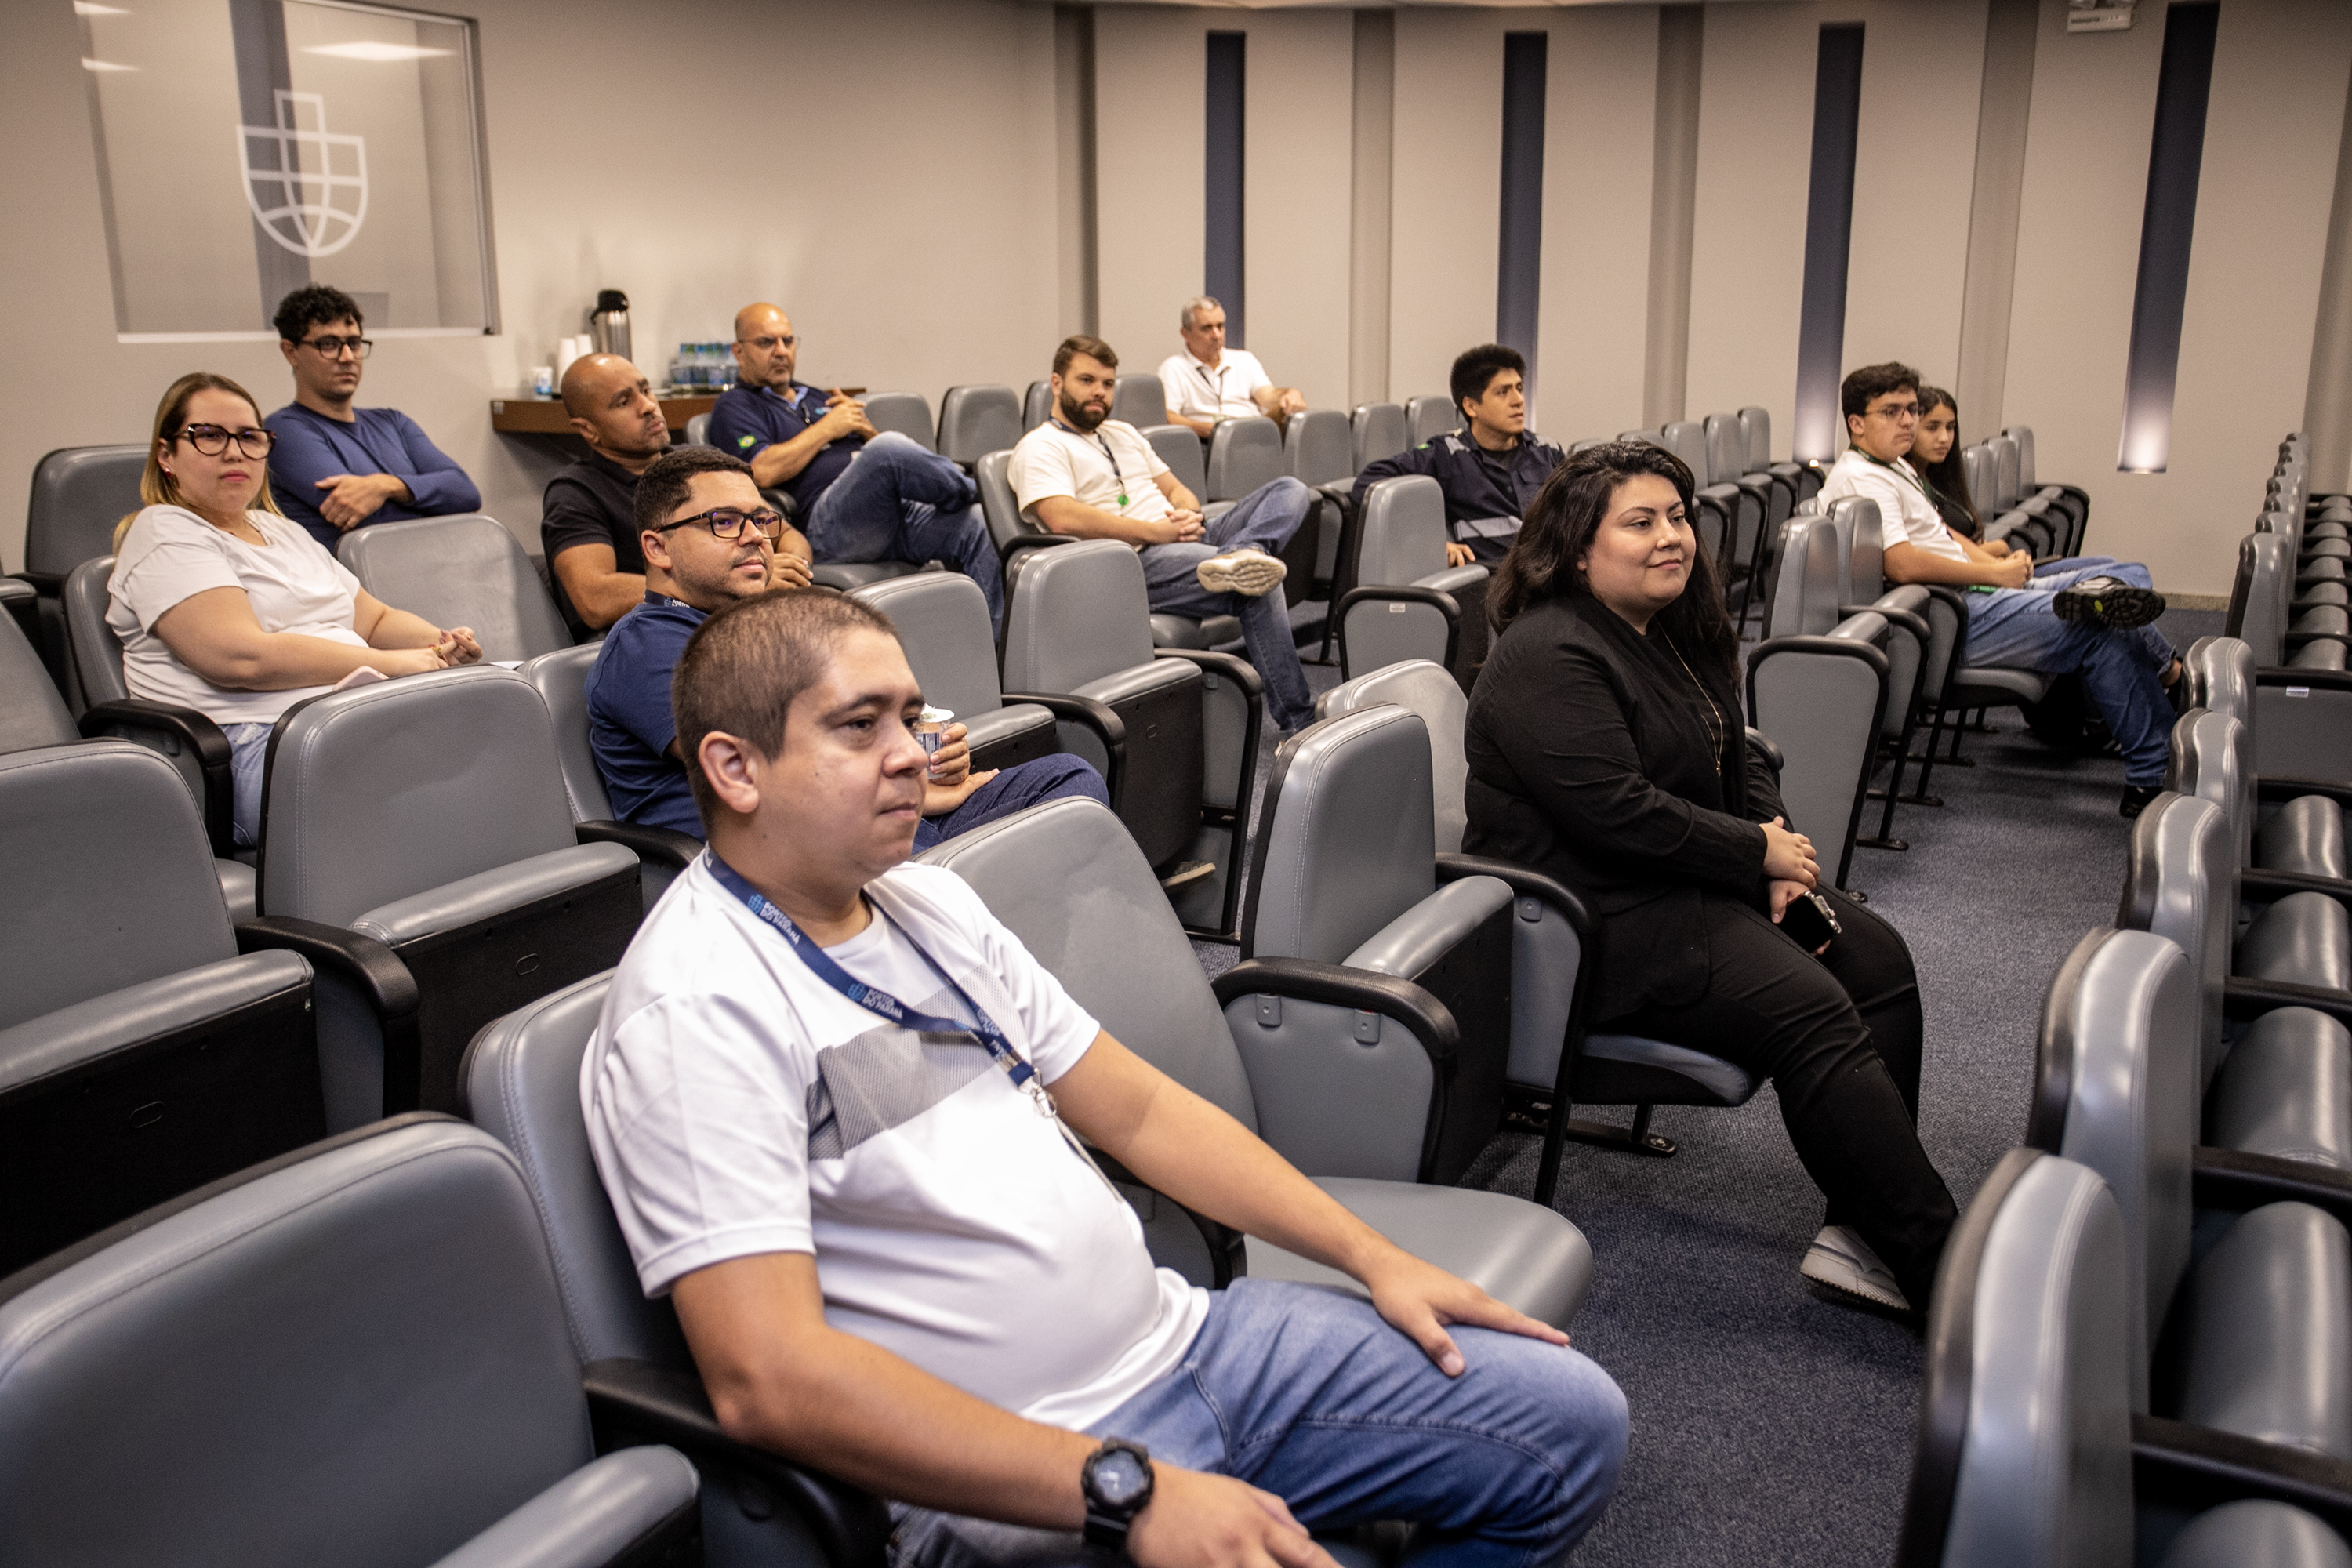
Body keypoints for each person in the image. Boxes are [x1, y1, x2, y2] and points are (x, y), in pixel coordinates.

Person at [581, 586, 1628, 1568]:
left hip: (1187, 1343)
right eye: (861, 726)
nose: (913, 754)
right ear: (734, 767)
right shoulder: (695, 1008)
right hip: (1017, 1470)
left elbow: (1138, 1108)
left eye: (911, 714)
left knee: (1573, 1428)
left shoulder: (928, 906)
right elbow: (769, 1380)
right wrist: (1125, 1490)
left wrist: (1372, 1256)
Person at [1464, 441, 1956, 1316]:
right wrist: (1750, 854)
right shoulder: (1549, 652)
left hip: (1692, 877)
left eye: (1679, 517)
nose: (1672, 538)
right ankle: (1937, 1264)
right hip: (1600, 919)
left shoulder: (1671, 631)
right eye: (1641, 522)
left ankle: (1863, 1229)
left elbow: (1740, 748)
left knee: (1876, 961)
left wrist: (1771, 845)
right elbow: (1616, 813)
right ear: (1579, 547)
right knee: (1811, 1009)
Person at [586, 446, 1105, 846]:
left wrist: (924, 757)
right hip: (787, 857)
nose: (755, 537)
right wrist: (908, 784)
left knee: (1066, 779)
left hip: (875, 823)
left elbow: (851, 723)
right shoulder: (644, 647)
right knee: (1009, 875)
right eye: (723, 522)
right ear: (657, 548)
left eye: (761, 519)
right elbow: (768, 766)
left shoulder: (763, 628)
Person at [107, 372, 482, 848]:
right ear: (166, 456)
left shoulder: (280, 530)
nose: (234, 451)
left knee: (492, 729)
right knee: (439, 781)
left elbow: (375, 620)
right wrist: (396, 664)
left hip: (336, 718)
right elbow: (241, 658)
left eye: (249, 437)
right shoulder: (164, 531)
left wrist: (439, 643)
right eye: (208, 436)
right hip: (240, 749)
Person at [1816, 362, 2180, 815]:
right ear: (1856, 423)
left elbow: (1942, 536)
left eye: (1911, 409)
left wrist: (1991, 560)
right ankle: (2155, 760)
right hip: (1951, 617)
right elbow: (1903, 563)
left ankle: (2163, 678)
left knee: (2123, 573)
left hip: (1974, 596)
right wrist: (1993, 575)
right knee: (2096, 624)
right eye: (1892, 412)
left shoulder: (1892, 467)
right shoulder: (1862, 478)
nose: (1907, 421)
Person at [1007, 336, 1318, 734]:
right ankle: (1300, 722)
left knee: (1290, 489)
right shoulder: (1039, 446)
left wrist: (1186, 512)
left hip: (1181, 535)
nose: (1099, 393)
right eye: (1087, 381)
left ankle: (1243, 551)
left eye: (1107, 384)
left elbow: (1176, 488)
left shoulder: (1121, 432)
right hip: (1130, 561)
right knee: (1258, 587)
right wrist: (1157, 532)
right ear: (1056, 383)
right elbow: (1061, 518)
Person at [708, 303, 1004, 635]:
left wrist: (867, 434)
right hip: (828, 529)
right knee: (888, 448)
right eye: (767, 343)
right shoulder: (735, 406)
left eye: (788, 341)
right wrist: (829, 428)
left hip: (887, 514)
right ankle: (980, 489)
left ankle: (990, 650)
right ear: (739, 352)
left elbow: (883, 459)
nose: (781, 351)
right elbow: (760, 471)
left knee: (974, 522)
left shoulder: (817, 397)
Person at [262, 285, 481, 550]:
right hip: (356, 584)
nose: (347, 357)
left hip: (429, 568)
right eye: (328, 345)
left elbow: (465, 492)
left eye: (354, 344)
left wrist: (385, 486)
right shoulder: (284, 432)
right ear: (291, 352)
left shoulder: (393, 423)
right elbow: (373, 523)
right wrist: (430, 501)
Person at [1352, 344, 1565, 568]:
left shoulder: (1547, 451)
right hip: (1490, 583)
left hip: (1552, 579)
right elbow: (1367, 485)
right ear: (1471, 406)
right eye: (1503, 392)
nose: (1518, 400)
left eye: (1519, 388)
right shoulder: (1447, 454)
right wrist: (1430, 543)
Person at [541, 354, 673, 639]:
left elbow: (779, 531)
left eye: (645, 390)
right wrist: (713, 586)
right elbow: (595, 598)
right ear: (588, 429)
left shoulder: (701, 463)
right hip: (650, 637)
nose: (648, 406)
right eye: (624, 402)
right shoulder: (575, 492)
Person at [1154, 297, 1305, 437]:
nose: (1216, 335)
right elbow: (1168, 416)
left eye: (1220, 326)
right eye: (1207, 328)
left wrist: (1290, 393)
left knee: (1294, 416)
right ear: (1185, 334)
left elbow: (1267, 396)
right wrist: (1211, 430)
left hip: (1255, 435)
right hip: (1209, 441)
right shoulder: (1173, 368)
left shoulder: (1244, 359)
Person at [1907, 387, 1991, 546]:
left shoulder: (1941, 478)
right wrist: (1994, 552)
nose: (1944, 438)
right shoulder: (1907, 483)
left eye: (1950, 427)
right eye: (1932, 428)